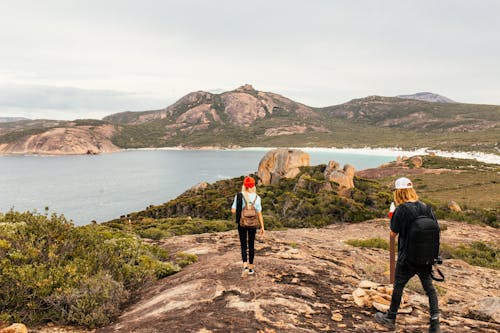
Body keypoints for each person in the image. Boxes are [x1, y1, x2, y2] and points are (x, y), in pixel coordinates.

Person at [374, 177, 441, 333]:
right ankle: (435, 324)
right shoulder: (426, 207)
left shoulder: (401, 210)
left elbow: (393, 233)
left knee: (399, 285)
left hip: (407, 258)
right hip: (425, 258)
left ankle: (390, 318)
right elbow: (435, 229)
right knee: (430, 289)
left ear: (399, 192)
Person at [231, 176, 265, 277]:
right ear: (253, 185)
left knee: (243, 245)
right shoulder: (257, 198)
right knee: (251, 245)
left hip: (242, 223)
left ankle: (245, 266)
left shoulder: (239, 196)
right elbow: (259, 213)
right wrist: (262, 227)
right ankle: (250, 269)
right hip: (253, 224)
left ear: (244, 186)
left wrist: (240, 210)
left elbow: (233, 211)